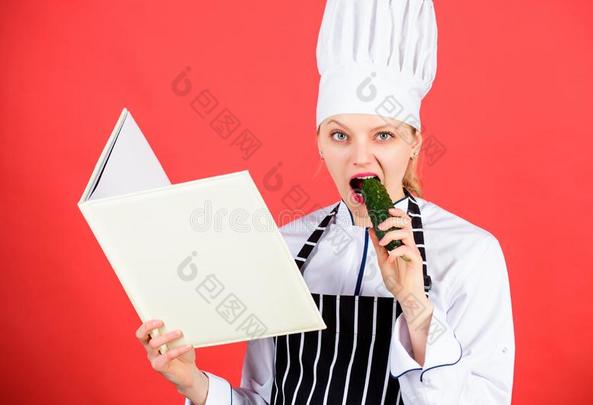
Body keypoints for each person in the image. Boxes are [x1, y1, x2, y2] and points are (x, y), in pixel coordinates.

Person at [135, 0, 515, 403]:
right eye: (339, 135)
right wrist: (192, 382)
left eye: (383, 135)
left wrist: (415, 306)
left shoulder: (470, 254)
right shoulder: (286, 246)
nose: (360, 156)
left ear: (415, 143)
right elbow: (263, 398)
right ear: (319, 143)